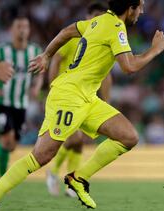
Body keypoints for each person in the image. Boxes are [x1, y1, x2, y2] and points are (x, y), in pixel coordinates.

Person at [0, 0, 164, 210]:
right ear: (129, 8)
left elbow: (68, 30)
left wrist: (47, 55)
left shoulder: (98, 22)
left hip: (87, 97)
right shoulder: (116, 27)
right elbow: (129, 67)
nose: (141, 11)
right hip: (69, 96)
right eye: (139, 7)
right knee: (42, 155)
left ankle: (79, 178)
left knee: (128, 136)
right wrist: (155, 50)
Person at [45, 1, 110, 198]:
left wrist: (105, 101)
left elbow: (106, 76)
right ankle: (54, 172)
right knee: (74, 138)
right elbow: (56, 58)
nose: (97, 21)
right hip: (66, 96)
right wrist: (52, 87)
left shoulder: (102, 42)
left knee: (78, 142)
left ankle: (69, 184)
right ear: (88, 17)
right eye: (95, 16)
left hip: (85, 98)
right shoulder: (76, 37)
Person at [0, 16, 43, 178]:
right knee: (7, 140)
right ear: (11, 30)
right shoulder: (1, 51)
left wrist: (36, 86)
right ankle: (2, 181)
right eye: (19, 26)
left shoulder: (35, 51)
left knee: (11, 146)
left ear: (29, 30)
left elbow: (40, 73)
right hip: (2, 102)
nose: (22, 30)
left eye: (25, 27)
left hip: (21, 104)